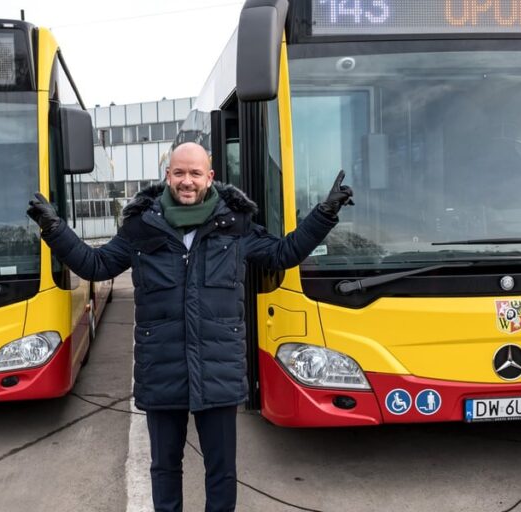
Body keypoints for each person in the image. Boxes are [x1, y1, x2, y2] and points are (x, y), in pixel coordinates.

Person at [27, 142, 352, 512]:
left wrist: (324, 214)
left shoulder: (235, 225)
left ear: (209, 177)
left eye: (195, 173)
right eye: (179, 173)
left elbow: (283, 253)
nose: (187, 181)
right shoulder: (141, 227)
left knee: (222, 472)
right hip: (162, 370)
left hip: (218, 370)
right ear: (168, 176)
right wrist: (54, 229)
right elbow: (96, 265)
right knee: (165, 469)